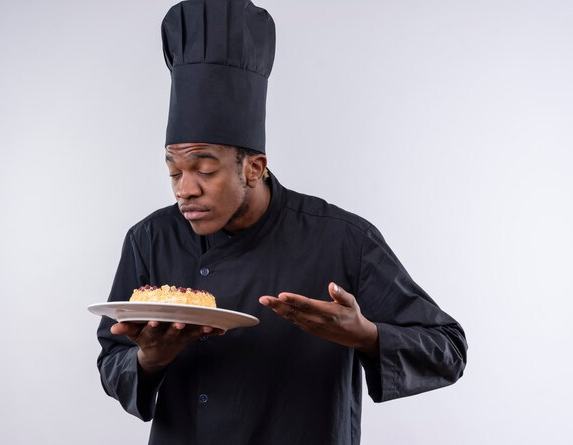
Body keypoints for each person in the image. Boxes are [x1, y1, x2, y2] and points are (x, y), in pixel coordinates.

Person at [96, 1, 468, 444]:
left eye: (205, 170)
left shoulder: (342, 239)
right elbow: (113, 360)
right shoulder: (151, 239)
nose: (185, 189)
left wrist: (367, 335)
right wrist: (150, 359)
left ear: (254, 167)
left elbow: (448, 349)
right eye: (175, 171)